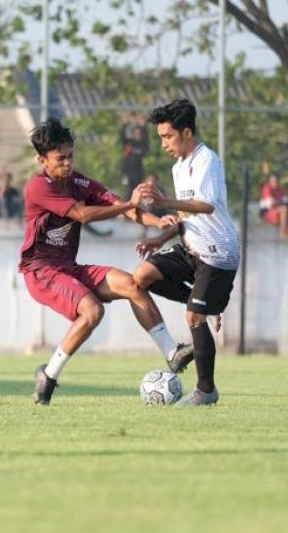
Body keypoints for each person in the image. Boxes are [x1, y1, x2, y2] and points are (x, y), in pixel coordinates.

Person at [21, 118, 192, 405]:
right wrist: (130, 204)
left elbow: (121, 207)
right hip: (41, 270)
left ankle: (172, 353)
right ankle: (49, 376)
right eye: (60, 158)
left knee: (132, 284)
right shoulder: (38, 187)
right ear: (42, 160)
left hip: (68, 267)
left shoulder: (78, 181)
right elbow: (84, 215)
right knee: (92, 311)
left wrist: (157, 221)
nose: (67, 163)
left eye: (71, 156)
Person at [134, 98, 240, 406]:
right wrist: (160, 239)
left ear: (187, 132)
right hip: (191, 248)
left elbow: (205, 205)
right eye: (161, 138)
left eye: (168, 136)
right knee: (142, 276)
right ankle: (208, 302)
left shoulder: (207, 159)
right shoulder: (179, 167)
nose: (164, 143)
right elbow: (187, 217)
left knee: (194, 317)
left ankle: (206, 391)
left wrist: (164, 202)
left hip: (218, 253)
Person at [120, 112, 148, 200]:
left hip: (139, 172)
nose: (138, 135)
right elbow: (123, 135)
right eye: (136, 133)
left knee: (139, 191)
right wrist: (126, 123)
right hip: (128, 172)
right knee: (129, 191)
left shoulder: (142, 144)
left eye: (139, 133)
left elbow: (146, 138)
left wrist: (143, 125)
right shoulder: (129, 143)